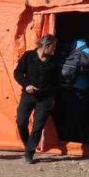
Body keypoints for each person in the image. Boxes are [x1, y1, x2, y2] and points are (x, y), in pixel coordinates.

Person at [14, 34, 59, 164]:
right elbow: (17, 72)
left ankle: (29, 153)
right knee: (21, 122)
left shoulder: (54, 60)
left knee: (38, 125)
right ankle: (28, 143)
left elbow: (57, 81)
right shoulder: (29, 56)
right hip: (28, 95)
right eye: (53, 47)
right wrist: (26, 84)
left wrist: (53, 97)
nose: (54, 50)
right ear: (47, 45)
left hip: (45, 98)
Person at [58, 38, 89, 142]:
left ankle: (68, 135)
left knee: (69, 112)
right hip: (82, 86)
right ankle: (81, 137)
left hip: (69, 85)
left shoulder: (71, 50)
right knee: (81, 113)